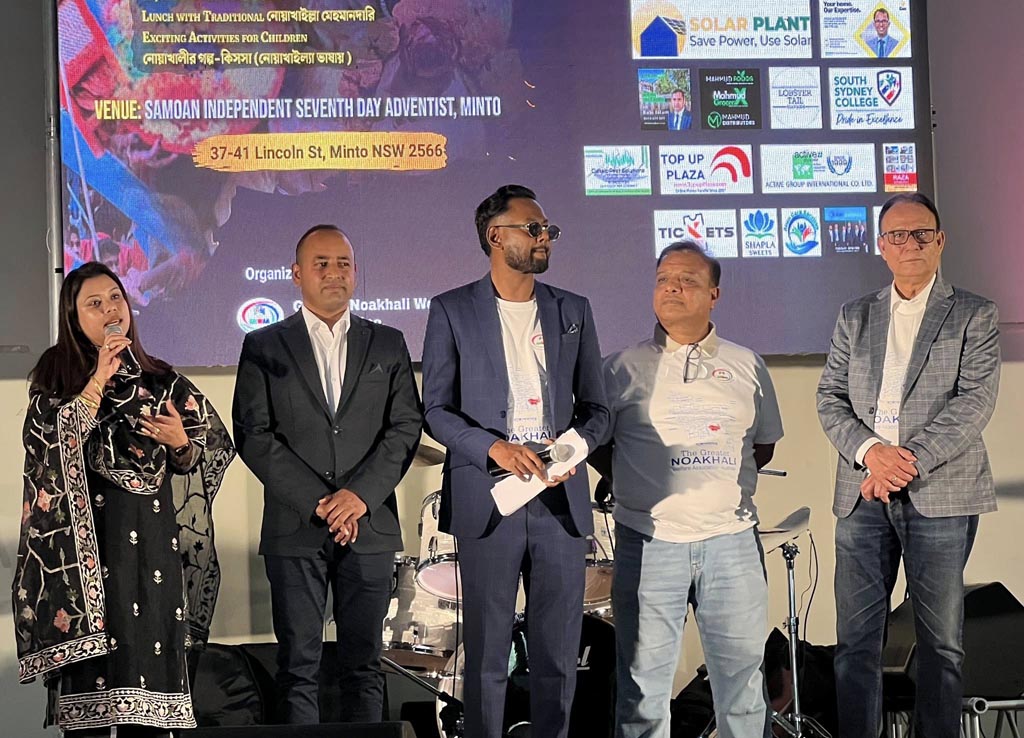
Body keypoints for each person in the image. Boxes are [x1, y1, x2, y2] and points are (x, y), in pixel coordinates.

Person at [13, 261, 234, 736]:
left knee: (150, 706)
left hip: (152, 551)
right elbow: (48, 447)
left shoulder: (159, 379)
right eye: (95, 304)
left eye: (115, 298)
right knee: (93, 709)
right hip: (88, 559)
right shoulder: (55, 377)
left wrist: (180, 443)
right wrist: (97, 380)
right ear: (74, 319)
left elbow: (207, 449)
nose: (111, 310)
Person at [421, 184, 609, 738]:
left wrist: (573, 449)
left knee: (559, 656)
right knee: (486, 657)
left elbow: (597, 410)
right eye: (533, 228)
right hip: (490, 499)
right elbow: (435, 409)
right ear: (495, 236)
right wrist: (492, 447)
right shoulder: (452, 309)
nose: (544, 237)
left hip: (559, 500)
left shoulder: (572, 309)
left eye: (548, 229)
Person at [817, 193, 1000, 738]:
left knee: (941, 644)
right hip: (861, 495)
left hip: (940, 494)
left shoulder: (974, 313)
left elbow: (974, 403)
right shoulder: (855, 315)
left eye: (921, 233)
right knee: (855, 642)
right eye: (897, 235)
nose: (910, 244)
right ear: (881, 246)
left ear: (940, 241)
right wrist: (871, 453)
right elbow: (830, 397)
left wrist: (905, 462)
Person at [592, 240, 783, 738]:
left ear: (714, 294)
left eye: (687, 280)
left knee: (743, 689)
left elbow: (762, 447)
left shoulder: (747, 364)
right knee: (641, 691)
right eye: (663, 280)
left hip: (732, 543)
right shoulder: (619, 368)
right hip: (648, 542)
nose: (672, 288)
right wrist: (640, 481)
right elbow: (596, 446)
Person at [232, 224, 421, 724]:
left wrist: (358, 496)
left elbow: (405, 427)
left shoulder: (388, 342)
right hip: (296, 527)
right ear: (296, 274)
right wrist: (321, 501)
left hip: (370, 524)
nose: (334, 273)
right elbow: (253, 434)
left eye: (344, 264)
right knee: (298, 667)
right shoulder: (264, 345)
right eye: (322, 264)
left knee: (365, 666)